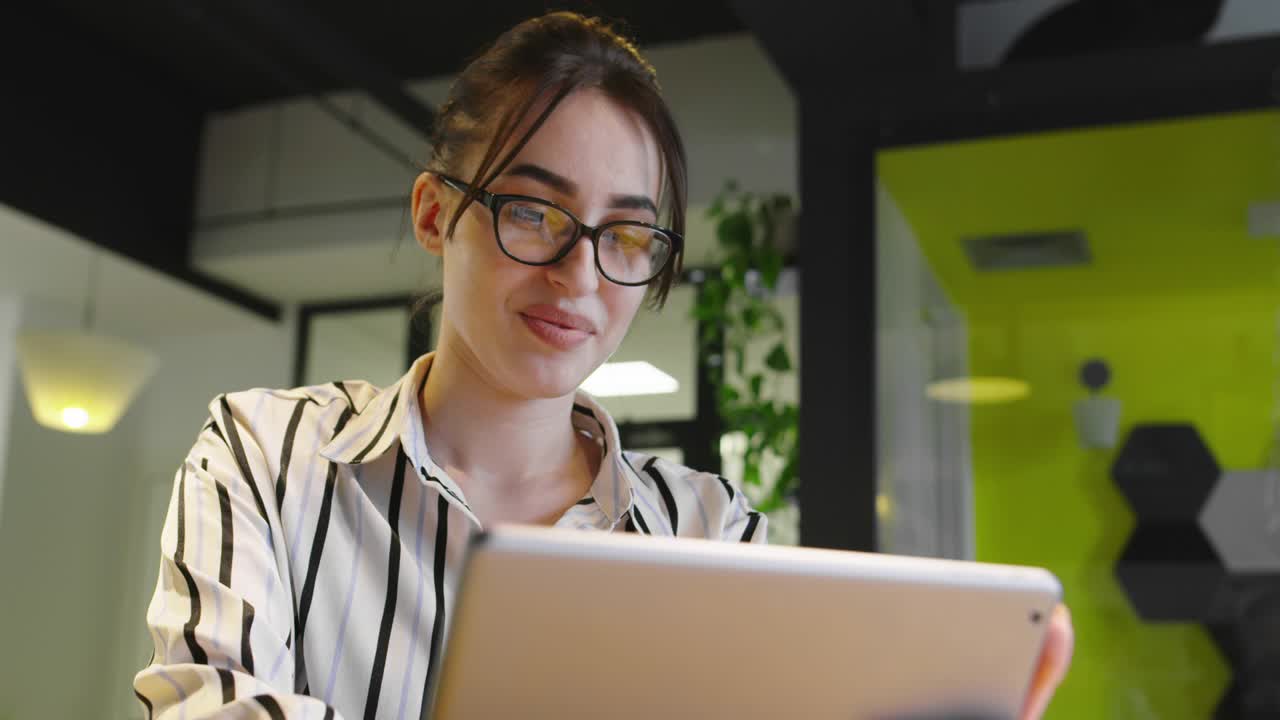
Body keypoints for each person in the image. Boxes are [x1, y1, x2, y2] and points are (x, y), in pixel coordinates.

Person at [133, 11, 1072, 720]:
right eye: (535, 211)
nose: (580, 274)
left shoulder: (707, 532)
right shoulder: (267, 450)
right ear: (434, 214)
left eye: (626, 233)